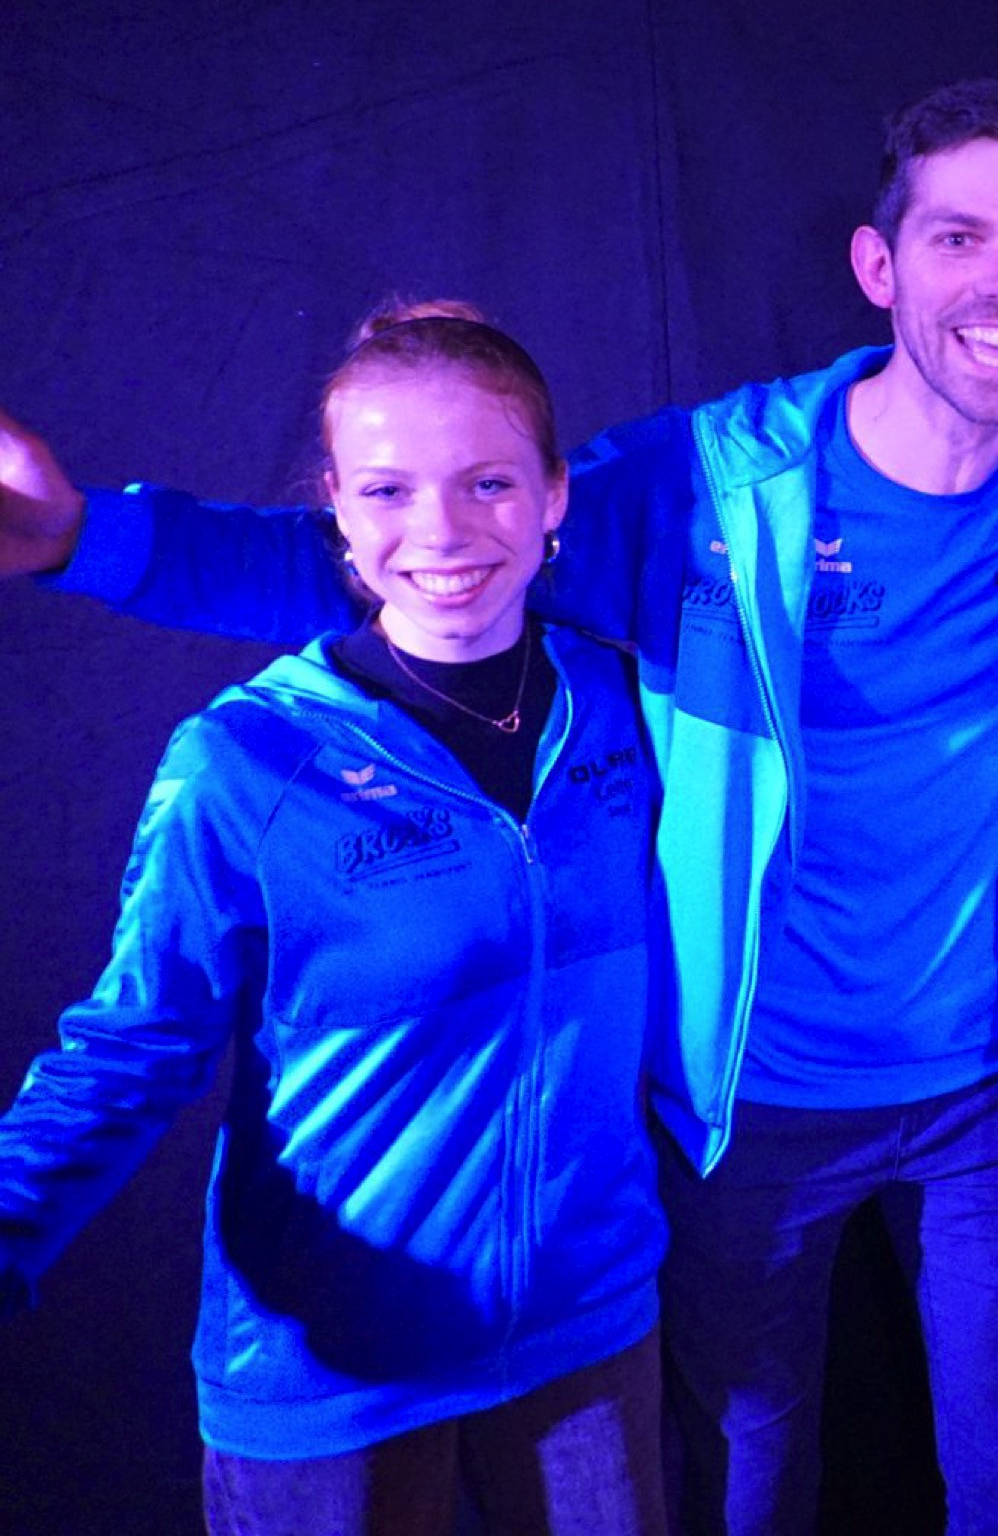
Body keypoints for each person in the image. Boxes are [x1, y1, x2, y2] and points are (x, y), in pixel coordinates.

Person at [0, 80, 998, 1535]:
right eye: (959, 237)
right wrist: (83, 537)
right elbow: (398, 551)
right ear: (880, 266)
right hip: (751, 1101)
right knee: (747, 1477)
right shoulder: (712, 483)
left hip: (986, 1090)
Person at [0, 303, 664, 1534]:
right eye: (388, 490)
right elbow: (130, 1048)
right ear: (337, 513)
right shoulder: (247, 762)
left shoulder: (630, 705)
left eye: (487, 482)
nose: (442, 532)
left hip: (587, 1325)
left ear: (555, 494)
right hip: (338, 1366)